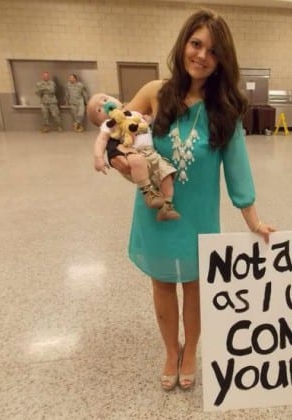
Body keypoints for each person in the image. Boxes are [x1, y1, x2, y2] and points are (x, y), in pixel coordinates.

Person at [122, 9, 275, 392]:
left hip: (199, 218)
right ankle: (170, 351)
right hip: (155, 215)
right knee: (162, 284)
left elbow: (238, 169)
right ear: (183, 44)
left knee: (195, 286)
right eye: (196, 44)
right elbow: (117, 132)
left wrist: (253, 221)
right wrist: (130, 167)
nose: (202, 55)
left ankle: (190, 351)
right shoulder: (155, 92)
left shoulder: (225, 110)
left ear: (223, 60)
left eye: (213, 50)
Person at [87, 93, 180, 220]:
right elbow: (102, 140)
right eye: (99, 109)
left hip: (152, 153)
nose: (104, 104)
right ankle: (148, 193)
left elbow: (146, 124)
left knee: (167, 173)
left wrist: (149, 120)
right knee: (138, 161)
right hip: (133, 152)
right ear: (99, 121)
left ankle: (167, 206)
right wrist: (98, 157)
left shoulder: (134, 114)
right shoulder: (109, 124)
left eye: (105, 99)